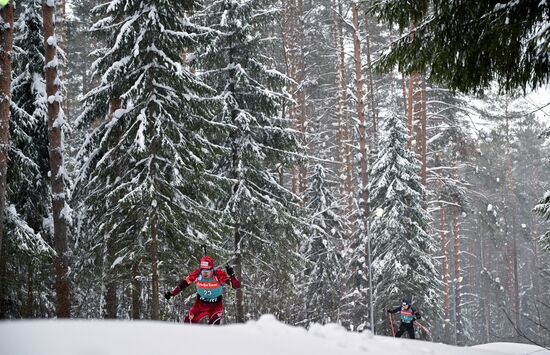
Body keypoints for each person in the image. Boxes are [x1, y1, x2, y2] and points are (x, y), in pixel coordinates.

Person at [165, 255, 240, 325]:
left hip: (215, 306)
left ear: (212, 269)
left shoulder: (219, 275)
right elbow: (183, 284)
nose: (205, 274)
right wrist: (172, 293)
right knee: (188, 323)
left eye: (207, 272)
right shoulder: (197, 274)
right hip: (200, 305)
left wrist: (232, 276)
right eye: (203, 271)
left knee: (213, 327)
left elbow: (236, 286)